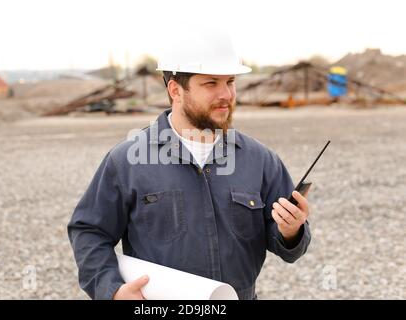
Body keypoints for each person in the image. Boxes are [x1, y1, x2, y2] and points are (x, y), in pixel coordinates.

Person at [67, 29, 312, 300]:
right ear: (176, 90)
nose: (226, 94)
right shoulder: (128, 161)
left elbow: (288, 247)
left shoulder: (260, 160)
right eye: (211, 83)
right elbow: (89, 231)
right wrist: (112, 291)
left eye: (230, 82)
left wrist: (291, 231)